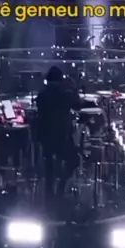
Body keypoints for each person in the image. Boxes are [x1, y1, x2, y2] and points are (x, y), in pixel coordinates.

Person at [36, 66, 81, 201]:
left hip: (45, 136)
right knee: (74, 160)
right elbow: (77, 105)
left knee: (49, 166)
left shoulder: (41, 95)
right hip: (61, 136)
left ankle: (49, 195)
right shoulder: (65, 95)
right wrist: (74, 88)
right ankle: (61, 186)